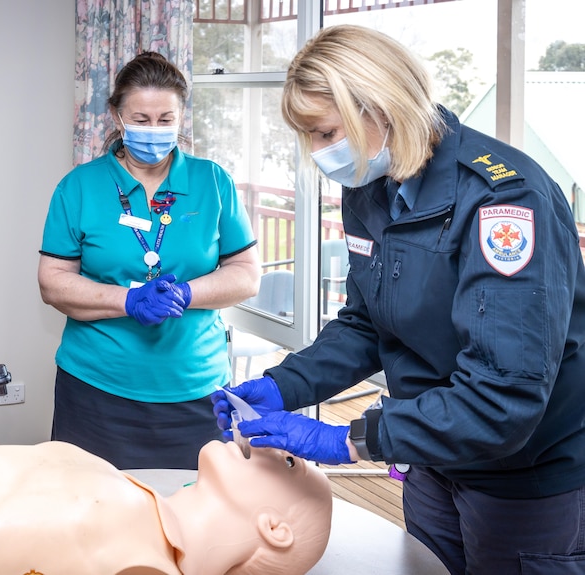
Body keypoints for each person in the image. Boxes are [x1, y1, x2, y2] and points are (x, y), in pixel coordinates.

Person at [212, 24, 585, 574]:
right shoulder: (370, 185)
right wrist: (282, 385)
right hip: (431, 456)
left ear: (381, 108)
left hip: (524, 476)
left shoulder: (504, 201)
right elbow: (367, 324)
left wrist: (352, 439)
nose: (318, 153)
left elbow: (503, 395)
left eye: (325, 132)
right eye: (309, 136)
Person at [38, 51, 261, 469]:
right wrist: (128, 301)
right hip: (96, 389)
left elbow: (246, 276)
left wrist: (185, 292)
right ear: (117, 118)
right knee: (96, 518)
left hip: (197, 392)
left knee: (195, 518)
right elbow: (52, 282)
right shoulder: (79, 187)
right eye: (141, 120)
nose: (154, 131)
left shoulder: (213, 181)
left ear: (181, 117)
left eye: (166, 120)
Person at [0, 439, 332, 575]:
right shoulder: (132, 496)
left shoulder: (146, 563)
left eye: (288, 461)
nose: (268, 444)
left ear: (275, 528)